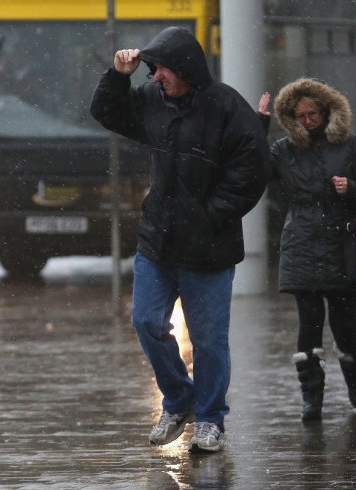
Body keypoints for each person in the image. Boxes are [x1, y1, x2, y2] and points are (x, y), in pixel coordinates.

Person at [89, 27, 269, 452]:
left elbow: (253, 168)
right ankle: (179, 400)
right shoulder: (152, 99)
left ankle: (210, 419)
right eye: (152, 71)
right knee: (146, 322)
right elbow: (107, 112)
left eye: (161, 70)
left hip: (208, 248)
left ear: (185, 69)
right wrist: (118, 75)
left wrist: (210, 215)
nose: (154, 78)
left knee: (208, 340)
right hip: (158, 242)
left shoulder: (226, 106)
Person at [260, 78, 356, 422]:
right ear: (290, 118)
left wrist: (352, 188)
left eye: (313, 113)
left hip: (344, 241)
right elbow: (256, 170)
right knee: (308, 323)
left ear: (327, 112)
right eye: (300, 116)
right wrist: (260, 124)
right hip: (301, 241)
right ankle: (311, 399)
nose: (308, 120)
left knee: (345, 325)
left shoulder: (350, 145)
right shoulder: (283, 149)